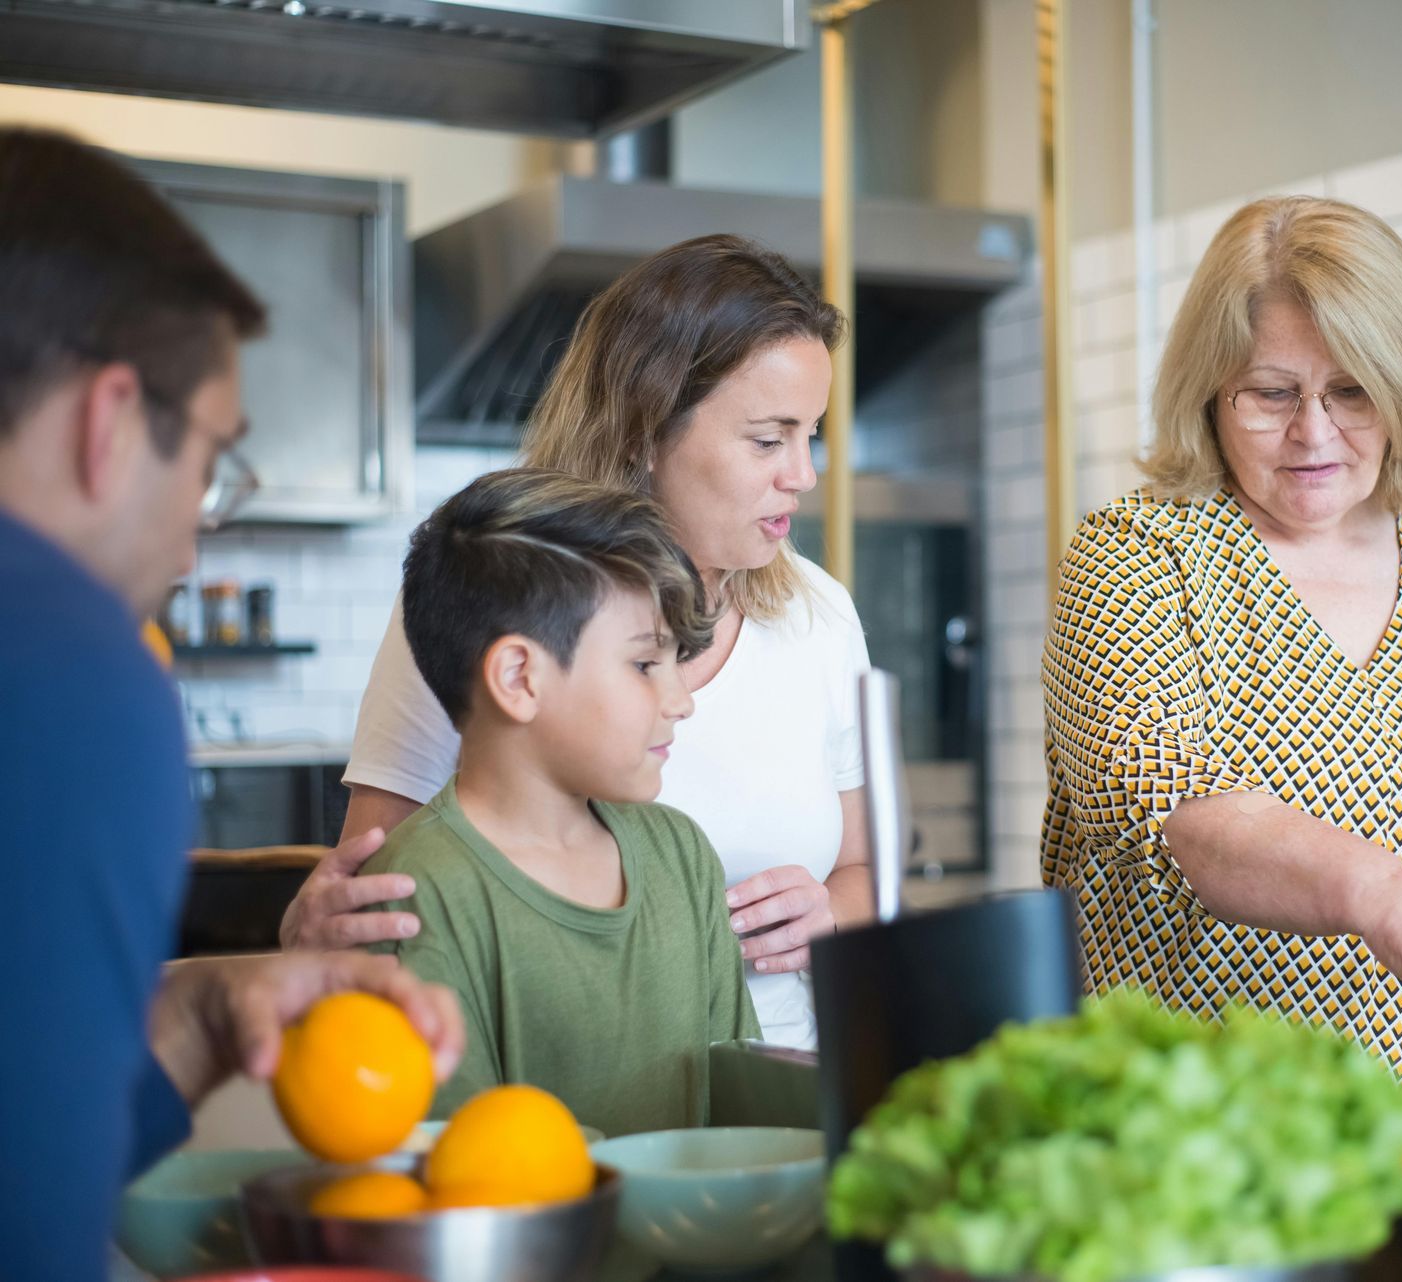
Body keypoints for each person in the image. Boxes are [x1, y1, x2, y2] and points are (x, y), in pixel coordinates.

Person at [0, 127, 463, 1281]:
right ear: (109, 420)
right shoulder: (68, 662)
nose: (201, 523)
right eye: (211, 462)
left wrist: (201, 1017)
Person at [1041, 195, 1402, 1089]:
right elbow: (1173, 815)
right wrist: (1399, 901)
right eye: (1272, 393)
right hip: (1190, 1130)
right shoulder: (1134, 560)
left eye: (1352, 392)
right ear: (1209, 393)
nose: (1313, 432)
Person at [283, 237, 871, 1049]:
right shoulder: (490, 601)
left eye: (812, 433)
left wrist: (834, 914)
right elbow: (381, 893)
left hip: (782, 1083)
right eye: (768, 440)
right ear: (642, 428)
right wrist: (312, 931)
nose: (803, 474)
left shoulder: (820, 617)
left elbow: (867, 873)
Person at [359, 468, 759, 1136]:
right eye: (644, 664)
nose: (681, 699)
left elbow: (743, 1112)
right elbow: (464, 1171)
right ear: (519, 678)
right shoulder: (414, 897)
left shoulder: (682, 854)